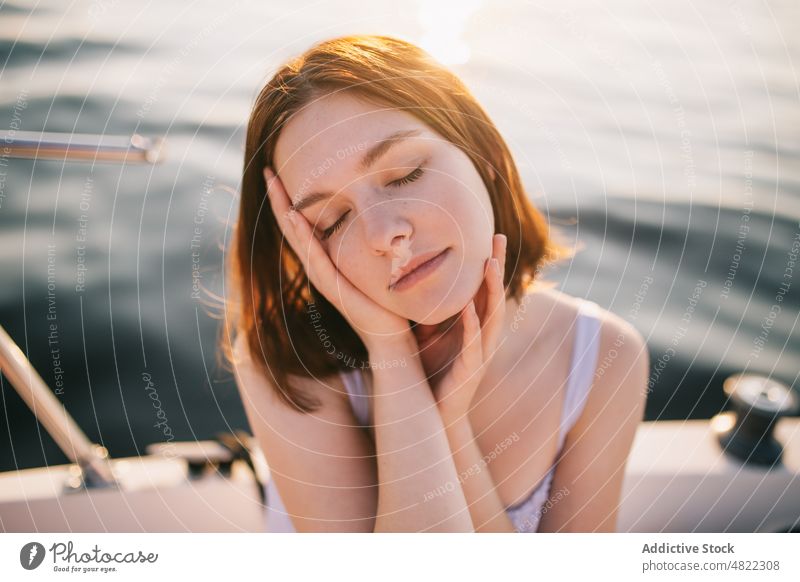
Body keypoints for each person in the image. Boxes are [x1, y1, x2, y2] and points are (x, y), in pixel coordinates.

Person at [221, 34, 649, 532]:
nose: (385, 234)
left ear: (482, 153)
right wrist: (391, 356)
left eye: (406, 173)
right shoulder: (288, 364)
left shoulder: (602, 357)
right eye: (333, 221)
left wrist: (452, 430)